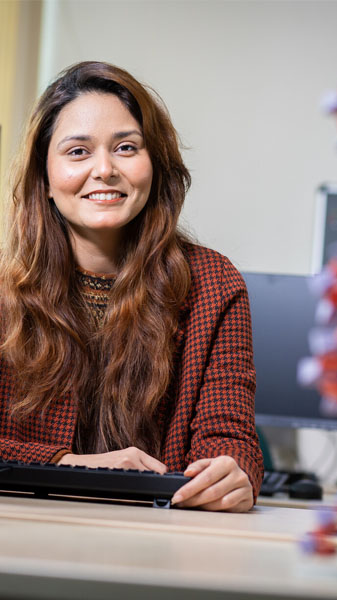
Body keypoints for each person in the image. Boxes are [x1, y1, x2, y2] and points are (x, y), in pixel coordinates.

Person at [0, 61, 263, 512]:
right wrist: (68, 464)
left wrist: (234, 469)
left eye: (125, 147)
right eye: (78, 152)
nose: (104, 170)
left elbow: (229, 433)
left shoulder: (215, 286)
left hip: (162, 539)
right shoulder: (6, 297)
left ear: (154, 165)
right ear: (45, 179)